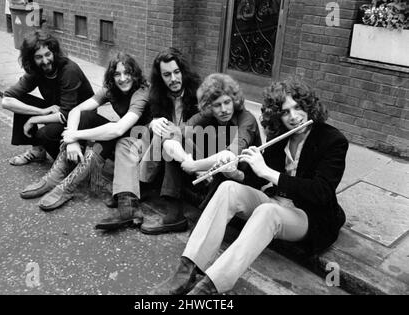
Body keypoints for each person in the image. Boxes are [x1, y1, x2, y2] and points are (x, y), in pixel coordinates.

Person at [153, 77, 349, 295]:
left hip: (308, 216)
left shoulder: (333, 140)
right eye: (285, 112)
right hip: (278, 202)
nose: (293, 117)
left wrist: (268, 171)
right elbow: (256, 182)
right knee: (228, 188)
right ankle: (186, 272)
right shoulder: (279, 136)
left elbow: (321, 192)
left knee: (267, 211)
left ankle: (210, 286)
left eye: (298, 108)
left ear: (309, 106)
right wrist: (234, 172)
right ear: (278, 115)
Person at [20, 52, 150, 215]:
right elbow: (76, 110)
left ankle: (68, 187)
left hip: (142, 142)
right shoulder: (111, 89)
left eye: (127, 73)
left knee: (112, 131)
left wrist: (76, 135)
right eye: (117, 74)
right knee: (87, 116)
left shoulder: (141, 92)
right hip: (122, 134)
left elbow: (119, 129)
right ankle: (56, 175)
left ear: (135, 74)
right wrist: (72, 141)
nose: (122, 78)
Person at [156, 73, 262, 212]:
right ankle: (173, 212)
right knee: (176, 144)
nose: (224, 110)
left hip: (241, 179)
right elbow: (171, 137)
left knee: (224, 165)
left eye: (227, 102)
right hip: (208, 175)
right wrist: (188, 161)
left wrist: (194, 166)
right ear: (209, 107)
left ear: (234, 100)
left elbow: (229, 157)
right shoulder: (206, 116)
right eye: (217, 105)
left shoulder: (246, 120)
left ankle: (204, 215)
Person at [127, 47, 201, 235]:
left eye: (177, 72)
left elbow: (203, 127)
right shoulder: (158, 94)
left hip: (196, 152)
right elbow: (149, 121)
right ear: (160, 77)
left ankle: (171, 210)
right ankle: (140, 187)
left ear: (183, 71)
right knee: (159, 131)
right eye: (167, 75)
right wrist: (154, 122)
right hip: (168, 155)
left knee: (168, 136)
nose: (174, 79)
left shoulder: (198, 92)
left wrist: (177, 132)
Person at [2, 30, 94, 165]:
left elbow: (66, 113)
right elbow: (6, 100)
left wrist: (34, 119)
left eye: (48, 54)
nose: (45, 61)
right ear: (32, 59)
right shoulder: (36, 71)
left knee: (44, 134)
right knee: (21, 100)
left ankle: (67, 163)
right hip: (57, 110)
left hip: (81, 117)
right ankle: (37, 151)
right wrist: (41, 111)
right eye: (39, 57)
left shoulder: (69, 70)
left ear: (54, 53)